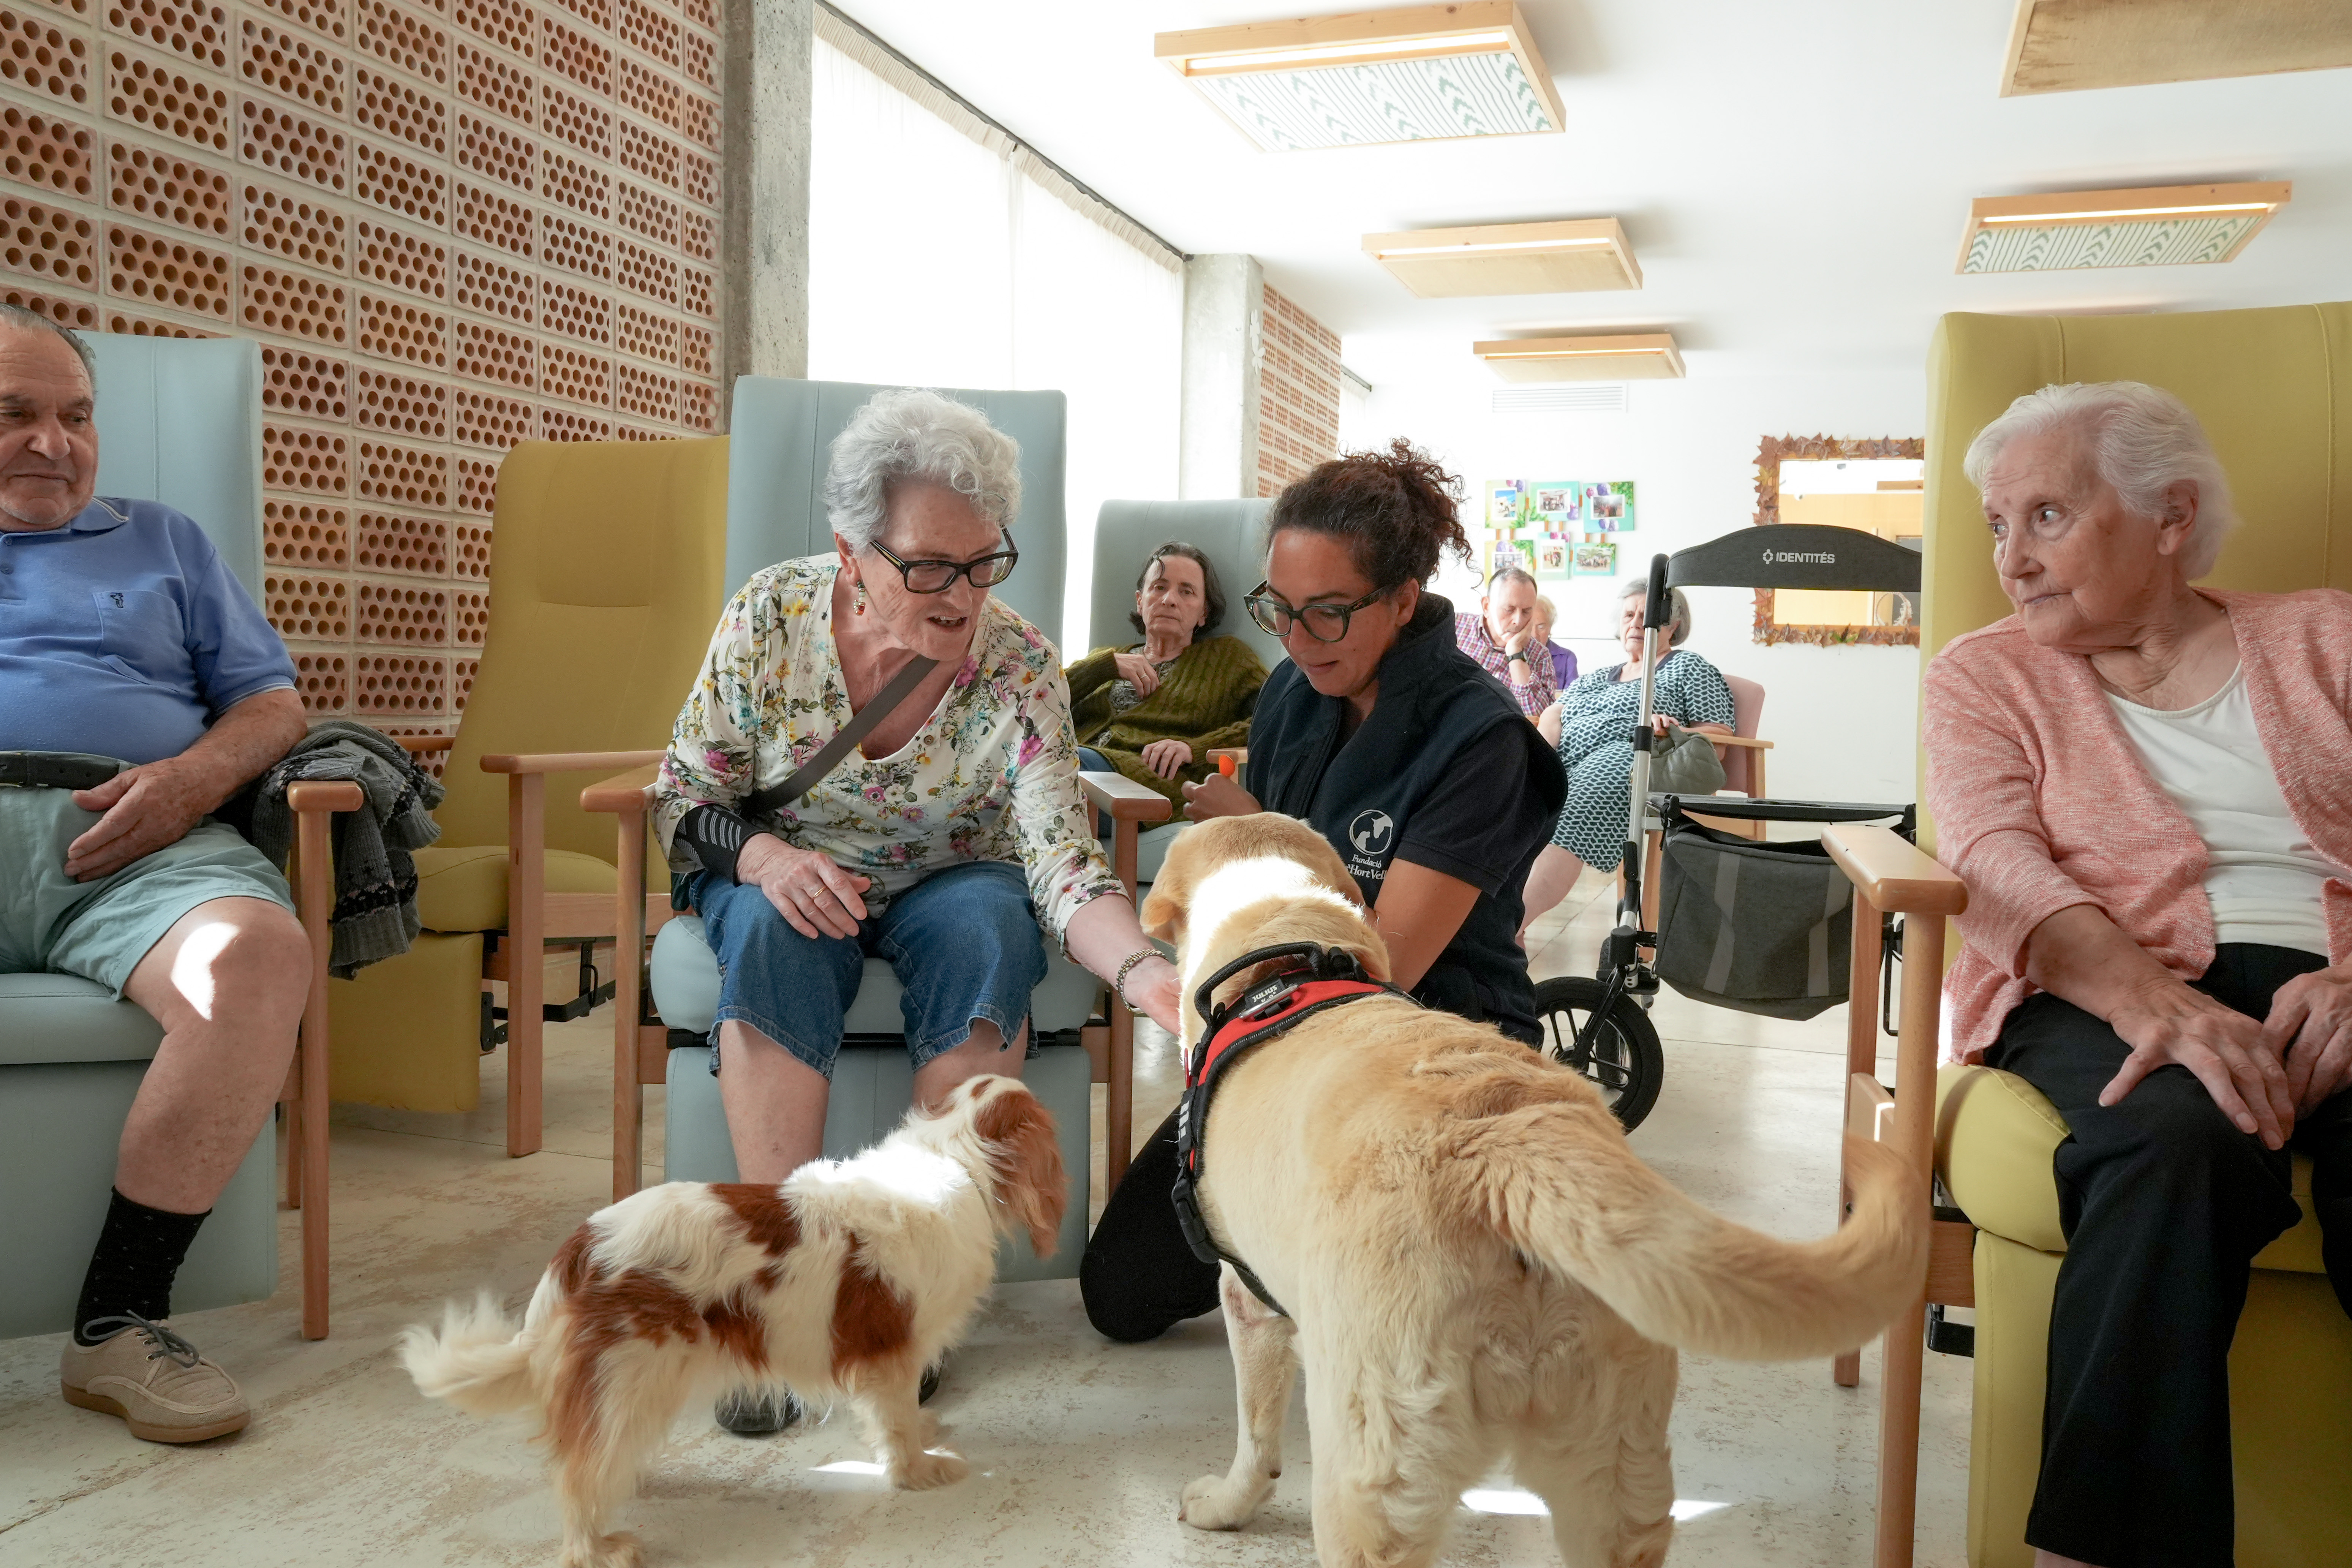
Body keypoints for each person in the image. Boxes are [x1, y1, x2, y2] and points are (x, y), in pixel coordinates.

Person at [652, 389, 1187, 1426]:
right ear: (853, 554)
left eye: (985, 562)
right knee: (772, 925)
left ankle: (905, 1284)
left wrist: (1144, 971)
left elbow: (1059, 863)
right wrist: (763, 857)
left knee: (990, 927)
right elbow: (684, 793)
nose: (962, 596)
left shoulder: (1020, 664)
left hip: (956, 877)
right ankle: (782, 1279)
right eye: (930, 567)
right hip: (792, 871)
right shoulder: (771, 617)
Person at [1925, 381, 2352, 1568]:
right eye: (1998, 525)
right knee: (2171, 1135)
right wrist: (2157, 1001)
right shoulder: (1985, 675)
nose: (2011, 558)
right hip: (2097, 984)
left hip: (2339, 983)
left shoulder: (2331, 636)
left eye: (2047, 516)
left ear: (2169, 516)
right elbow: (1995, 860)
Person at [1078, 439, 1566, 1342]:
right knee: (1119, 1290)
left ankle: (1464, 1234)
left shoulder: (1479, 739)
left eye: (1328, 615)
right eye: (1280, 610)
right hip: (1281, 1039)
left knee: (1376, 1314)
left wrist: (1251, 835)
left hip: (1424, 1042)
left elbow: (1384, 962)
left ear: (1403, 601)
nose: (1296, 641)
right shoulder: (1293, 695)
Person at [0, 305, 312, 1442]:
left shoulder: (167, 540)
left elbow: (272, 700)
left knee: (259, 957)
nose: (53, 442)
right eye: (15, 414)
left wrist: (187, 781)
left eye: (75, 417)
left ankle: (119, 1320)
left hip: (143, 841)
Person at [1518, 577, 1735, 931]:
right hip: (1570, 760)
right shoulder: (1598, 676)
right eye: (1629, 615)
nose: (1636, 623)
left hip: (1633, 759)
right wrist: (1536, 764)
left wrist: (1672, 728)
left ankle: (1513, 924)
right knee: (1514, 798)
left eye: (1646, 616)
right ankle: (1488, 920)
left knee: (1577, 802)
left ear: (1674, 625)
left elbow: (1720, 739)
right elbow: (1555, 714)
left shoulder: (1689, 667)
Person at [1067, 541, 1266, 807]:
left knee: (1047, 766)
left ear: (1204, 613)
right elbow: (1033, 700)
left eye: (1187, 592)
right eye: (1159, 587)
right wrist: (1104, 666)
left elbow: (1274, 720)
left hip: (1146, 782)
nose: (1169, 600)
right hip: (1075, 772)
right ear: (1140, 602)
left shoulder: (1229, 658)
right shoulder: (1108, 658)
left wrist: (1194, 748)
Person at [1452, 562, 1557, 717]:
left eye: (1527, 611)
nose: (1518, 621)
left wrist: (1515, 652)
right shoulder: (1455, 626)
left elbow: (1537, 719)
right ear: (1487, 607)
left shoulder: (1540, 655)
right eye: (1510, 610)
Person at [1531, 592, 1578, 690]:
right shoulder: (1512, 655)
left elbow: (1572, 699)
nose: (1535, 635)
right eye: (1529, 627)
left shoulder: (1566, 659)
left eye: (1541, 627)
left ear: (1550, 627)